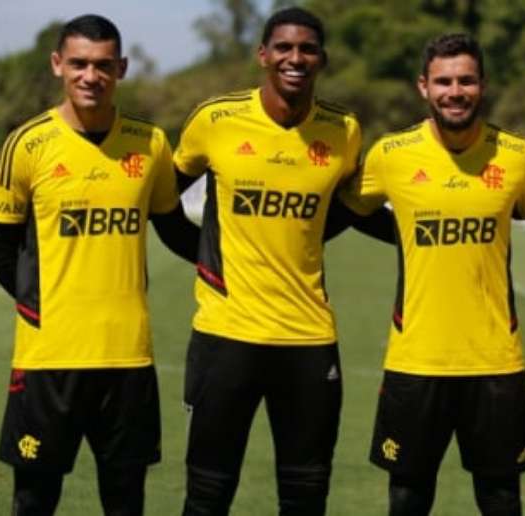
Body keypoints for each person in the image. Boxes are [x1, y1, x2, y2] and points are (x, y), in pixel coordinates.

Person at [173, 7, 392, 515]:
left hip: (308, 342)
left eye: (307, 49)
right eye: (285, 48)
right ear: (263, 55)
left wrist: (418, 241)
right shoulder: (216, 120)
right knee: (207, 494)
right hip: (225, 336)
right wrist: (206, 259)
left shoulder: (344, 131)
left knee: (306, 494)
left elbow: (350, 211)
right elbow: (163, 200)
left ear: (322, 59)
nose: (296, 59)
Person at [0, 14, 198, 516]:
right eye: (78, 63)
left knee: (125, 501)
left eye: (103, 65)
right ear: (58, 64)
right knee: (34, 499)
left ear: (120, 68)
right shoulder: (26, 144)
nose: (90, 76)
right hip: (48, 359)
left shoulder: (150, 144)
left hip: (128, 357)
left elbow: (177, 232)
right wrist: (43, 309)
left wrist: (250, 251)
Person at [339, 33, 525, 516]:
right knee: (408, 494)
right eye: (444, 81)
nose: (455, 91)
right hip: (417, 358)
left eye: (466, 80)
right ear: (423, 86)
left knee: (500, 495)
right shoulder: (391, 154)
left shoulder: (517, 155)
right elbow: (345, 211)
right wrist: (405, 233)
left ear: (482, 85)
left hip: (496, 360)